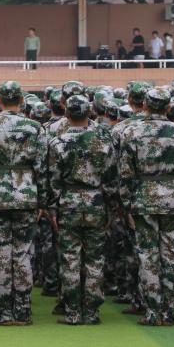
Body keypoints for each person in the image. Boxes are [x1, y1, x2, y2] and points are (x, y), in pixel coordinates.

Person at [0, 81, 48, 326]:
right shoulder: (35, 128)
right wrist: (43, 200)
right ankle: (23, 309)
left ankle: (5, 309)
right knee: (23, 252)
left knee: (0, 254)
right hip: (26, 194)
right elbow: (42, 167)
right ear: (22, 100)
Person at [118, 86, 174, 326]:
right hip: (172, 196)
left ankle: (152, 311)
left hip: (143, 198)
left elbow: (125, 174)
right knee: (171, 254)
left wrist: (126, 204)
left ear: (145, 106)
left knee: (147, 256)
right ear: (169, 107)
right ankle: (169, 311)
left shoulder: (131, 132)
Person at [48, 94, 116, 326]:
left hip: (69, 204)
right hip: (96, 203)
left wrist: (53, 209)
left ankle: (73, 312)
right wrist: (111, 208)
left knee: (70, 259)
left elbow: (53, 180)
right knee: (95, 259)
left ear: (67, 114)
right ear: (89, 113)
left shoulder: (58, 142)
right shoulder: (102, 142)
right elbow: (111, 179)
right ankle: (92, 312)